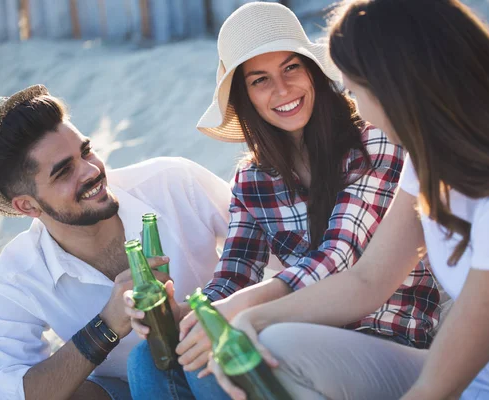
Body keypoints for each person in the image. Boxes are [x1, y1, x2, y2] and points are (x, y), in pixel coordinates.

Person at [207, 0, 489, 399]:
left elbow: (436, 388)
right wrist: (254, 318)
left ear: (396, 86)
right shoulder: (428, 164)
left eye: (353, 88)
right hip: (457, 373)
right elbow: (367, 279)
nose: (356, 107)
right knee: (274, 344)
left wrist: (255, 309)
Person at [125, 2, 440, 399]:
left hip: (391, 336)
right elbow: (232, 277)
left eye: (291, 68)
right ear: (245, 97)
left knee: (222, 357)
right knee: (147, 357)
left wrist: (238, 312)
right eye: (260, 80)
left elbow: (340, 255)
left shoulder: (374, 137)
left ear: (312, 70)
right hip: (300, 331)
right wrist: (188, 315)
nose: (282, 90)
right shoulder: (252, 179)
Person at [0, 85, 234, 400]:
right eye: (64, 172)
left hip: (222, 354)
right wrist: (105, 327)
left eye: (85, 151)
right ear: (28, 206)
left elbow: (277, 251)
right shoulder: (18, 274)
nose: (92, 171)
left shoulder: (173, 182)